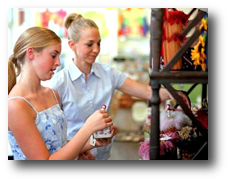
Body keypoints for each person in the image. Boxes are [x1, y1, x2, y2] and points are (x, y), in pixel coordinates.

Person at [49, 13, 190, 161]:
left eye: (99, 43)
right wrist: (79, 150)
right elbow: (52, 133)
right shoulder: (59, 83)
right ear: (72, 45)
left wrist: (174, 94)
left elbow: (147, 92)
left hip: (103, 156)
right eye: (90, 44)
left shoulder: (108, 73)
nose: (96, 49)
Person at [8, 26, 114, 160]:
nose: (58, 62)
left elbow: (58, 147)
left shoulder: (52, 94)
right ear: (31, 53)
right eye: (53, 55)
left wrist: (91, 142)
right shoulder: (16, 105)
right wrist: (88, 128)